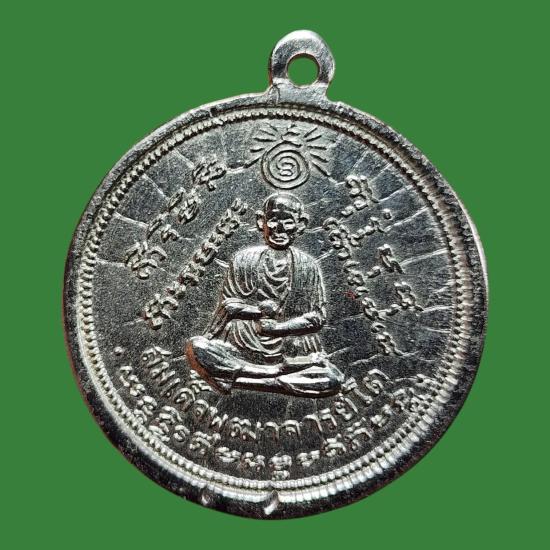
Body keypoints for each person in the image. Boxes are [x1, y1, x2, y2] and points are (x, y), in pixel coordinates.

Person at [186, 192, 344, 398]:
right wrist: (258, 311)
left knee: (331, 380)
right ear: (261, 221)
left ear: (301, 224)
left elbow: (316, 317)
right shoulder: (243, 259)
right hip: (241, 344)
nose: (280, 229)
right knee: (197, 346)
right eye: (273, 220)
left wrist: (279, 328)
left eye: (289, 222)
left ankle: (239, 378)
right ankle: (274, 376)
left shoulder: (308, 266)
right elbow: (228, 306)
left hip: (291, 351)